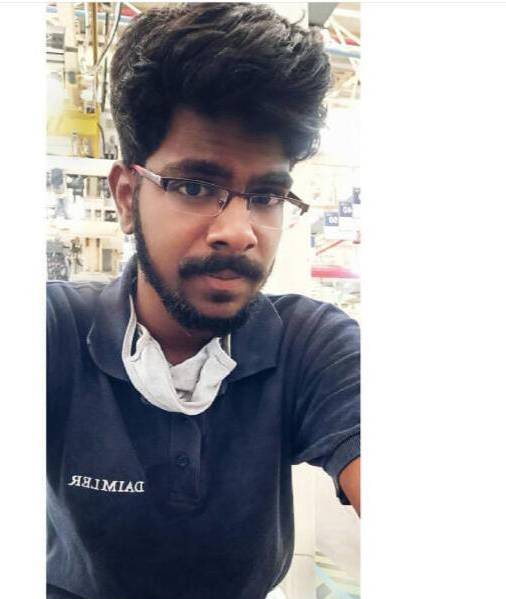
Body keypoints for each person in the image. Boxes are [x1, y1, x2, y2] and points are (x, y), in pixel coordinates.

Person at [47, 4, 360, 599]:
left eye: (266, 196)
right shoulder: (56, 331)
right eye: (195, 186)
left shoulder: (311, 345)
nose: (239, 233)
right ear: (126, 196)